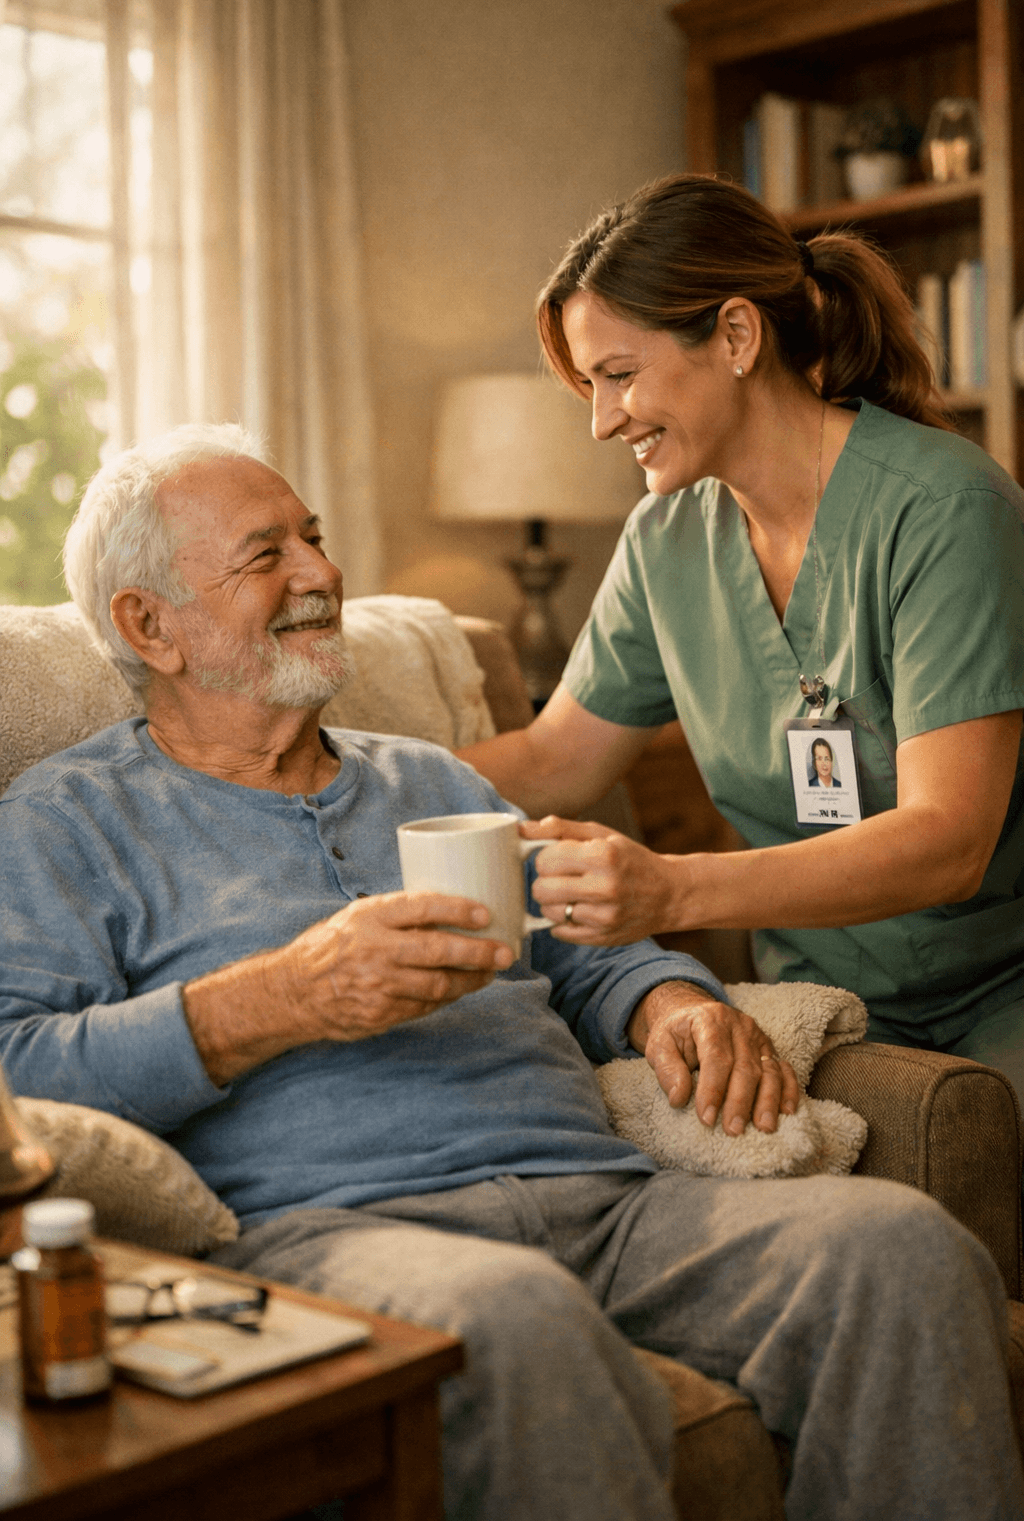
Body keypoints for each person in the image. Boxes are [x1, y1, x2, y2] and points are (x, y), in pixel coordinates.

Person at [1, 425, 1020, 1521]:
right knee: (512, 1314)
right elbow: (20, 1074)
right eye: (267, 556)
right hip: (337, 1233)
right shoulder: (66, 825)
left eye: (315, 537)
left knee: (902, 1251)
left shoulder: (429, 779)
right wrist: (276, 998)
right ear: (148, 625)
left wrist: (667, 996)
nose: (323, 574)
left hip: (607, 1202)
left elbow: (588, 944)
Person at [460, 172, 1024, 1123]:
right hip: (827, 1011)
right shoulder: (666, 541)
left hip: (1003, 989)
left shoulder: (946, 510)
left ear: (734, 336)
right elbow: (555, 759)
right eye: (591, 387)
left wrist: (669, 890)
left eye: (619, 375)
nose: (603, 421)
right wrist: (347, 779)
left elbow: (949, 844)